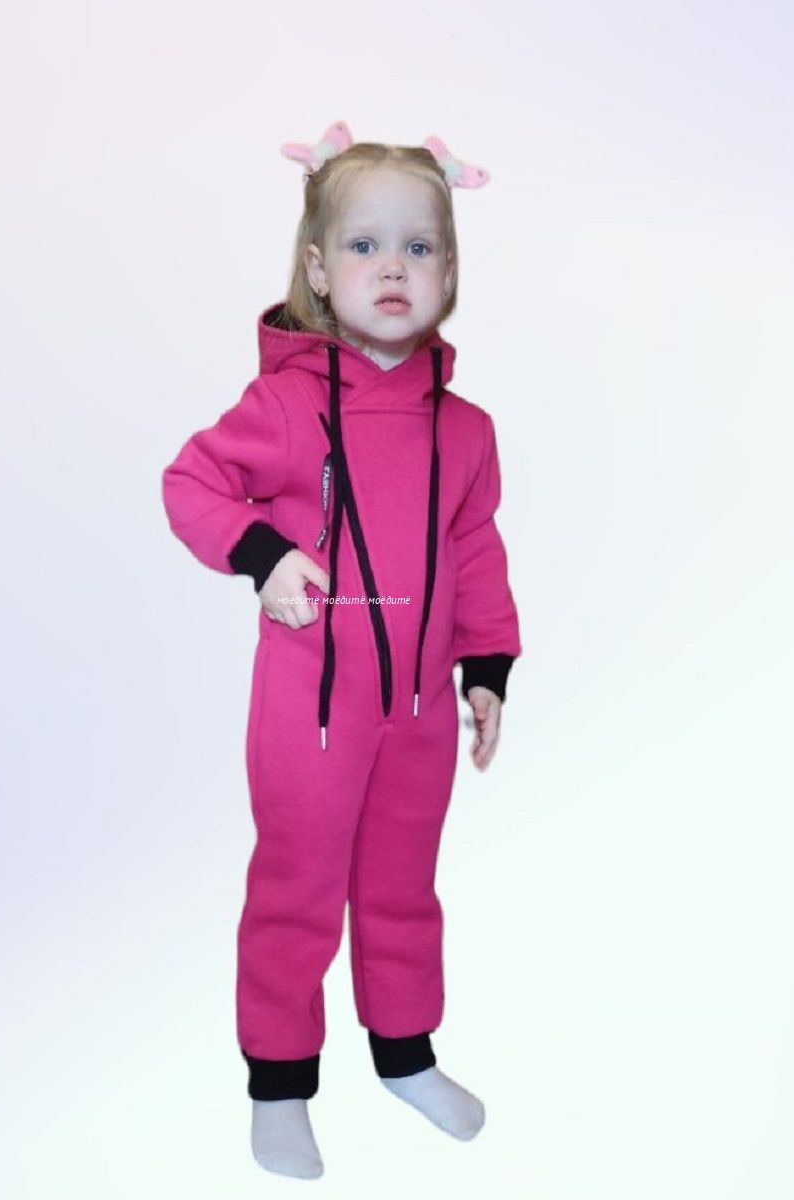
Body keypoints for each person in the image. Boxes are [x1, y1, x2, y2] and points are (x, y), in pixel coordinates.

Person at [161, 120, 523, 1180]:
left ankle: (406, 1056)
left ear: (449, 271)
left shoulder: (467, 430)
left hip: (417, 710)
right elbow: (190, 484)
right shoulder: (283, 406)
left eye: (418, 247)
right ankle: (279, 1084)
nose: (393, 268)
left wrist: (487, 668)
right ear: (318, 268)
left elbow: (476, 547)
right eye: (365, 246)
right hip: (310, 707)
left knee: (405, 884)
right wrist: (262, 554)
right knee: (299, 888)